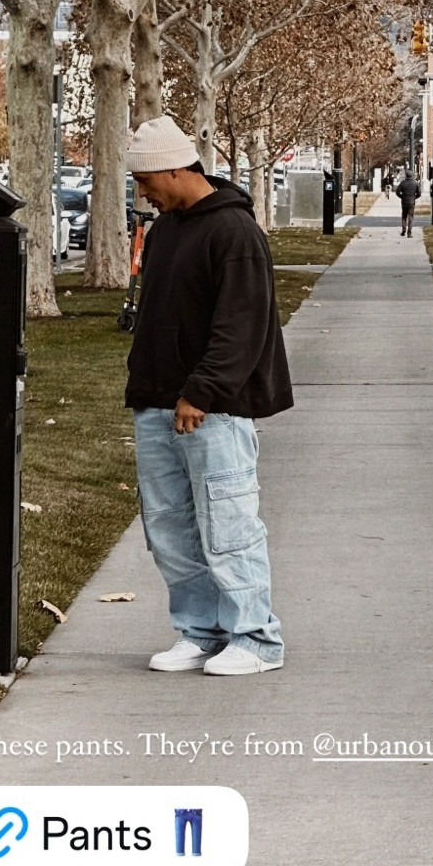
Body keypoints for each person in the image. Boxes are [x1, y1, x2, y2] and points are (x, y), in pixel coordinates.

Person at [124, 114, 292, 676]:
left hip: (211, 410)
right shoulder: (166, 230)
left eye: (146, 182)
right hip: (156, 402)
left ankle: (257, 638)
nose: (142, 193)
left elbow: (242, 324)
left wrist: (202, 391)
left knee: (228, 526)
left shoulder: (235, 232)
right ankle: (200, 631)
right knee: (169, 529)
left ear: (174, 169)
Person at [396, 166, 419, 237]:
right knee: (410, 217)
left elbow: (397, 192)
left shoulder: (403, 183)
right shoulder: (415, 183)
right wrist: (414, 197)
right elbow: (419, 193)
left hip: (404, 201)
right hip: (412, 201)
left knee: (404, 216)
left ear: (406, 175)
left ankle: (403, 230)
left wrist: (402, 196)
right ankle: (409, 233)